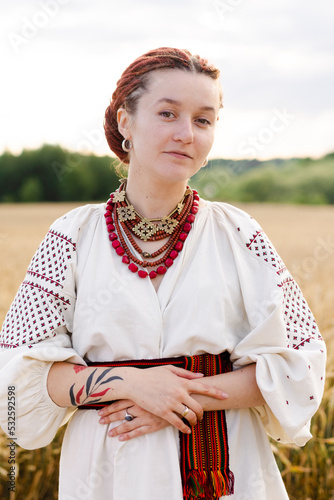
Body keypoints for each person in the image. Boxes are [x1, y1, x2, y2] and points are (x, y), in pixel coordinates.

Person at [0, 47, 326, 500]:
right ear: (124, 122)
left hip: (227, 467)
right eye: (168, 113)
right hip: (108, 470)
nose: (186, 134)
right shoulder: (71, 235)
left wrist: (174, 399)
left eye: (203, 120)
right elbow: (16, 377)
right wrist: (133, 383)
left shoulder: (240, 234)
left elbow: (299, 363)